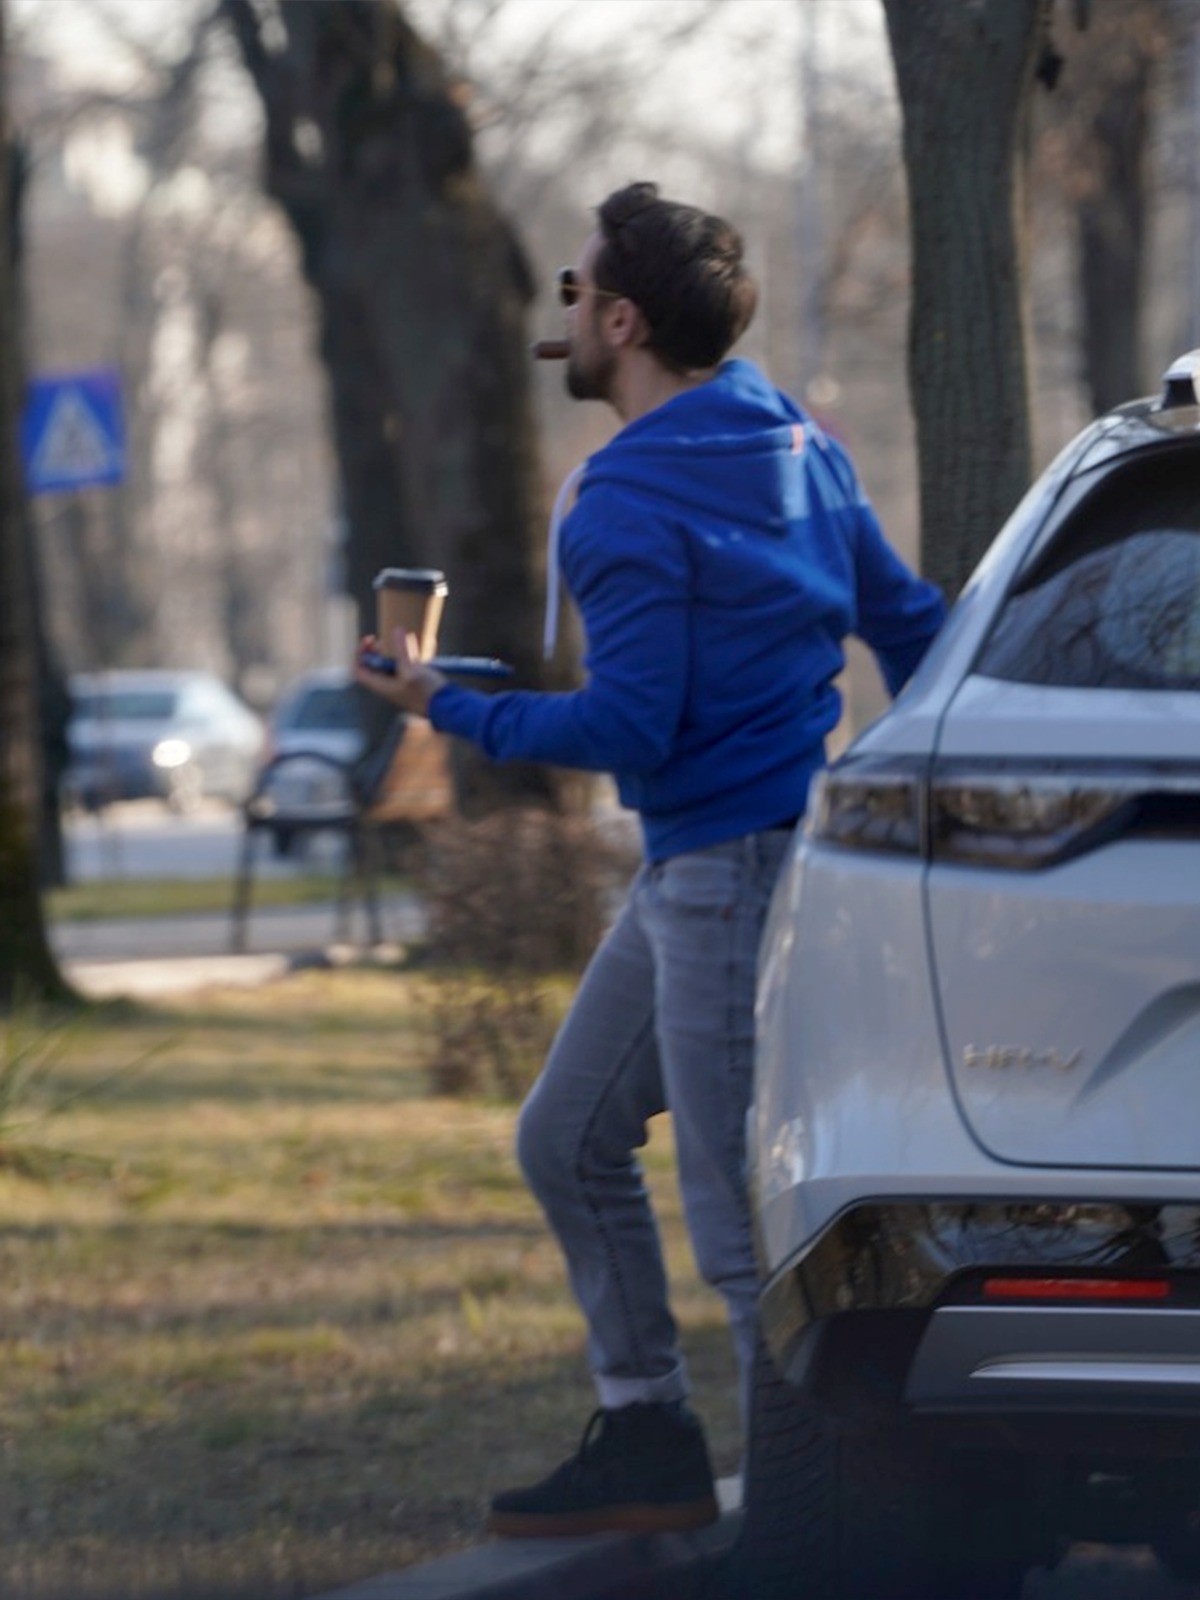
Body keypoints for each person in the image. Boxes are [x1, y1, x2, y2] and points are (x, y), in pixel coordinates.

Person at [355, 181, 946, 1540]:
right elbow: (912, 627)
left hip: (722, 880)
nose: (559, 312)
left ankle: (802, 1543)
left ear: (621, 322)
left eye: (574, 291)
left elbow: (630, 726)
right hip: (769, 862)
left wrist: (446, 708)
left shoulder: (621, 497)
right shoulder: (797, 439)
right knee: (566, 1138)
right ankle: (648, 1437)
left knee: (743, 1237)